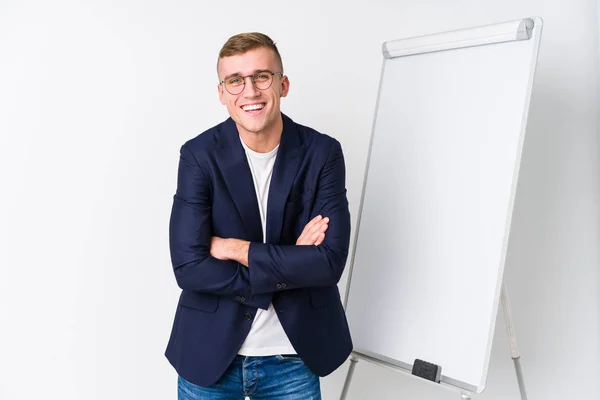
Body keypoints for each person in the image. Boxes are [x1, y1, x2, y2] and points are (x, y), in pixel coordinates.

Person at [165, 32, 353, 400]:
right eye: (235, 80)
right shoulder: (198, 156)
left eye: (261, 76)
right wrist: (292, 260)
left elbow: (328, 263)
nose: (249, 91)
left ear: (282, 84)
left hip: (293, 356)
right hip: (210, 352)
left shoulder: (322, 153)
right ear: (222, 94)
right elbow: (188, 266)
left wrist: (237, 248)